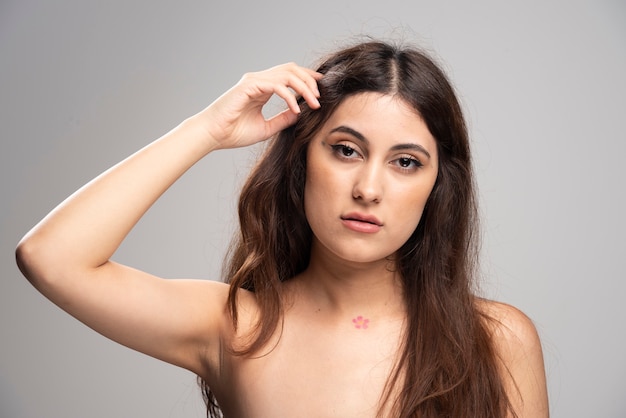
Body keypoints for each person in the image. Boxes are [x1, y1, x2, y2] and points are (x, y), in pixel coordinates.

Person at [16, 40, 548, 417]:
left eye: (405, 162)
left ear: (438, 186)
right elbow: (51, 258)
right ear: (302, 161)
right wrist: (206, 129)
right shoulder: (235, 329)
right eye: (346, 150)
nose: (368, 188)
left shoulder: (496, 340)